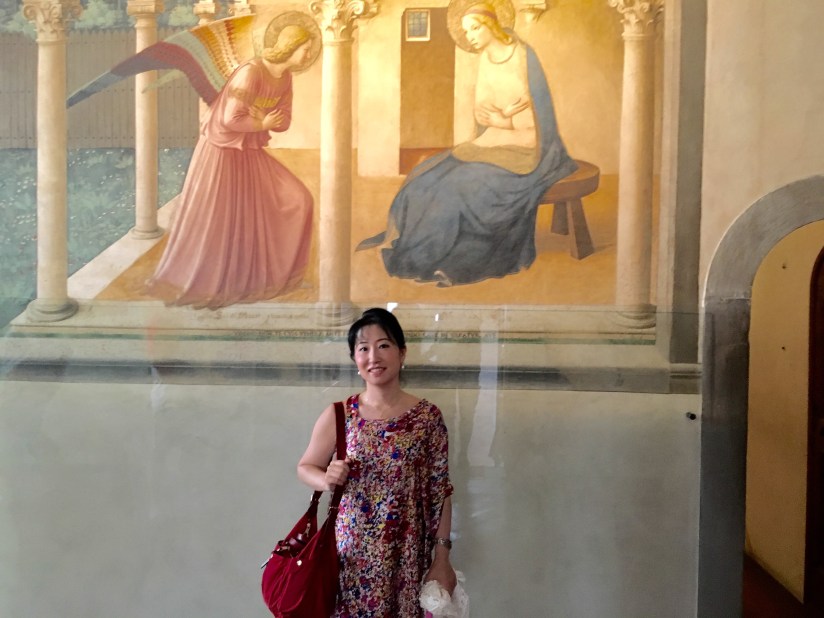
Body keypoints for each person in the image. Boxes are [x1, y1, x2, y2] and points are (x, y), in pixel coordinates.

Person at [359, 2, 577, 286]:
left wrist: (503, 119)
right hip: (491, 142)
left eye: (474, 28)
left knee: (458, 187)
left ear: (491, 25)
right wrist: (502, 117)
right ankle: (418, 247)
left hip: (526, 150)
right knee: (425, 175)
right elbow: (481, 112)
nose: (469, 36)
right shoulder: (485, 58)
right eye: (466, 31)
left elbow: (534, 124)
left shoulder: (523, 56)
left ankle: (453, 260)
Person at [145, 22, 316, 309]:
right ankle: (219, 283)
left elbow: (284, 120)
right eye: (305, 49)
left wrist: (265, 120)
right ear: (291, 46)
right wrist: (262, 121)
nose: (309, 54)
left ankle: (274, 276)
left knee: (299, 200)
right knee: (223, 219)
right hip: (221, 152)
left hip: (247, 150)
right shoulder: (251, 73)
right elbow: (229, 119)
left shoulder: (285, 77)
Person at [298, 308, 456, 617]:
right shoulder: (340, 414)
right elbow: (306, 467)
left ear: (402, 352)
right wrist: (326, 479)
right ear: (354, 358)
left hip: (407, 556)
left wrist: (442, 557)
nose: (374, 356)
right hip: (349, 557)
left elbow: (441, 491)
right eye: (363, 348)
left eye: (383, 345)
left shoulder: (427, 418)